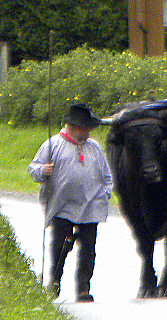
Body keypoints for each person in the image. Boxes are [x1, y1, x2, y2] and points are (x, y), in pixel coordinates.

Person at [28, 104, 113, 302]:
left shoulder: (94, 148)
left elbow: (107, 176)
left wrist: (104, 195)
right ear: (74, 126)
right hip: (62, 207)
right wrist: (43, 171)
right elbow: (33, 168)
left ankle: (83, 289)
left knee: (88, 249)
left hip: (91, 207)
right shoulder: (53, 144)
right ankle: (54, 282)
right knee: (59, 247)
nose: (89, 131)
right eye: (85, 127)